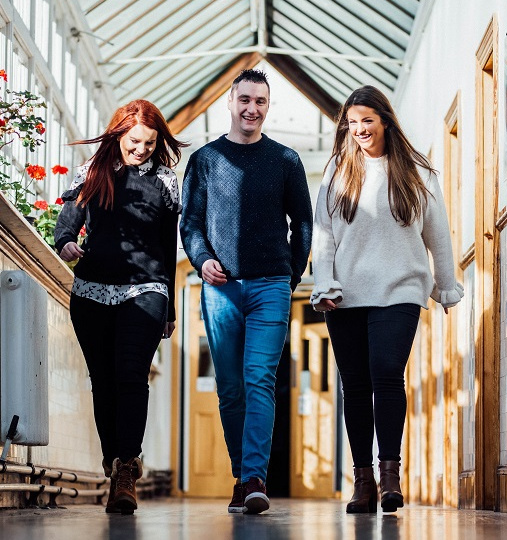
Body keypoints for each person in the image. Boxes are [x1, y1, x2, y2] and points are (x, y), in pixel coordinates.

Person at [309, 85, 463, 514]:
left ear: (385, 121)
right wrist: (325, 284)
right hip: (346, 296)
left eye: (367, 121)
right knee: (355, 386)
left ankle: (390, 472)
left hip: (401, 289)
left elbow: (438, 233)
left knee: (387, 372)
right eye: (352, 122)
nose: (359, 129)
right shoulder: (338, 171)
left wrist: (445, 284)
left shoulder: (416, 171)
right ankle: (363, 480)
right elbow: (323, 236)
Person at [180, 69, 313, 515]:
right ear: (231, 101)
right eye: (245, 100)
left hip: (271, 286)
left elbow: (305, 224)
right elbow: (190, 223)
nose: (252, 109)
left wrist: (290, 276)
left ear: (268, 106)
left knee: (259, 379)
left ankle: (255, 478)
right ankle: (242, 475)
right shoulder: (205, 160)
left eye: (260, 101)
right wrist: (201, 259)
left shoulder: (286, 160)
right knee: (231, 387)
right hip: (221, 288)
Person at [54, 99, 187, 515]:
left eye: (150, 142)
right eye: (135, 141)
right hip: (92, 289)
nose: (142, 149)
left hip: (146, 290)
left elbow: (168, 246)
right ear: (119, 135)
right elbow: (68, 218)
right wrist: (67, 242)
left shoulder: (165, 181)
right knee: (104, 381)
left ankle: (127, 469)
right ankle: (115, 461)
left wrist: (169, 308)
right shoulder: (92, 171)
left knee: (131, 376)